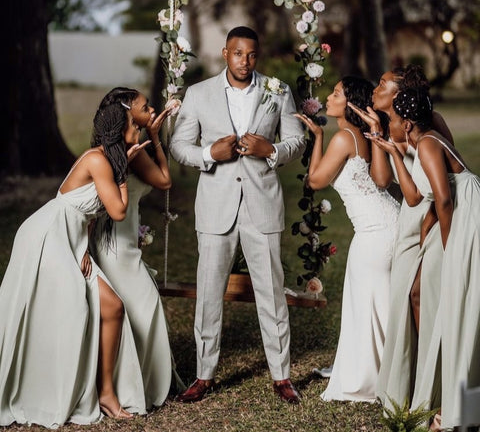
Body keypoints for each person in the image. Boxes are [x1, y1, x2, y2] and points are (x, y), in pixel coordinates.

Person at [170, 26, 306, 404]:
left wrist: (271, 149)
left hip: (262, 205)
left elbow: (297, 140)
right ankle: (204, 374)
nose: (244, 61)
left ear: (256, 56)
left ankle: (281, 376)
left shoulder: (277, 91)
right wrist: (210, 154)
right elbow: (178, 145)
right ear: (224, 52)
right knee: (209, 294)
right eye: (237, 53)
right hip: (216, 207)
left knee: (272, 293)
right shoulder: (198, 94)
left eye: (251, 55)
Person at [0, 89, 151, 427]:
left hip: (70, 237)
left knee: (111, 307)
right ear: (120, 125)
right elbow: (117, 210)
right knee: (74, 306)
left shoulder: (108, 160)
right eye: (135, 120)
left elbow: (89, 212)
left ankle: (107, 393)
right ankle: (52, 388)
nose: (138, 127)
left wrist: (81, 246)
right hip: (45, 236)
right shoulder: (98, 160)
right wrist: (125, 167)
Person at [367, 87, 480, 430]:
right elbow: (421, 197)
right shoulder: (422, 141)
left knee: (458, 303)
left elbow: (445, 200)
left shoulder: (429, 142)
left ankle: (456, 408)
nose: (393, 126)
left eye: (394, 121)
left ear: (407, 121)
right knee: (441, 302)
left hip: (467, 220)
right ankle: (448, 395)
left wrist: (448, 248)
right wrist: (395, 155)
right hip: (454, 216)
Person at [349, 65, 452, 412]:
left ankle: (436, 381)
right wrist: (378, 134)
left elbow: (447, 177)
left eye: (382, 84)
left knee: (423, 295)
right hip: (409, 220)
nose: (375, 88)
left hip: (434, 216)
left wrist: (435, 226)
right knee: (406, 301)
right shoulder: (386, 127)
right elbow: (381, 179)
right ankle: (412, 382)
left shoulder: (430, 121)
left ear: (399, 95)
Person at [297, 76, 400, 402]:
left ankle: (373, 379)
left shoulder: (344, 138)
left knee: (367, 305)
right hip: (389, 222)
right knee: (381, 304)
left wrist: (318, 138)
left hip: (373, 232)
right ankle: (393, 373)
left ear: (350, 103)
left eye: (337, 93)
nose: (329, 96)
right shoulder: (364, 134)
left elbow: (315, 181)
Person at [90, 88, 182, 412]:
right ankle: (124, 388)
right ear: (129, 113)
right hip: (111, 242)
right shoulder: (110, 152)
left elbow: (164, 180)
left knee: (146, 307)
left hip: (129, 242)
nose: (152, 108)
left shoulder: (138, 148)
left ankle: (145, 383)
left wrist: (156, 137)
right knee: (138, 306)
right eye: (145, 107)